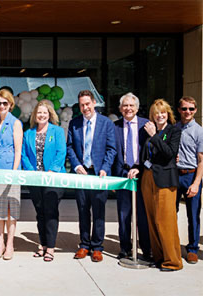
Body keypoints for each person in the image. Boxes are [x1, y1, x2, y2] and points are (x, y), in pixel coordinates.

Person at [67, 90, 116, 262]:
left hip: (99, 174)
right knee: (82, 209)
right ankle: (84, 245)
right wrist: (77, 165)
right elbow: (70, 147)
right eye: (82, 105)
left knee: (99, 210)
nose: (85, 107)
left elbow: (111, 149)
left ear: (94, 103)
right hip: (82, 173)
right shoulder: (74, 123)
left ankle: (97, 246)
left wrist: (105, 167)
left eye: (87, 104)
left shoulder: (106, 123)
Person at [140, 99, 183, 271]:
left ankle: (173, 261)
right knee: (152, 220)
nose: (160, 115)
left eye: (163, 112)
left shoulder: (173, 131)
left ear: (168, 114)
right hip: (148, 178)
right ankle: (159, 257)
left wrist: (154, 136)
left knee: (165, 220)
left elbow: (169, 154)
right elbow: (145, 155)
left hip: (165, 180)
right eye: (156, 113)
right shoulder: (148, 131)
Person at [21, 101, 66, 262]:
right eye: (39, 112)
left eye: (44, 112)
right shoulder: (28, 133)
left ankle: (51, 247)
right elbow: (24, 155)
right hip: (35, 179)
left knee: (51, 211)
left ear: (50, 114)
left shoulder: (58, 131)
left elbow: (61, 152)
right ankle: (43, 245)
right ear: (35, 115)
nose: (41, 115)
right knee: (40, 212)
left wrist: (51, 170)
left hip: (53, 178)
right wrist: (31, 172)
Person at [111, 93, 151, 260]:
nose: (128, 108)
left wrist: (141, 169)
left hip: (142, 175)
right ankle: (125, 248)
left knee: (142, 214)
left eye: (131, 106)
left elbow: (152, 151)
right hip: (122, 175)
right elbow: (112, 152)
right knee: (123, 214)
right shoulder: (115, 126)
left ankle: (147, 249)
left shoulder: (147, 125)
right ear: (120, 109)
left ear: (136, 108)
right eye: (125, 106)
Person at [0, 90, 22, 260]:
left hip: (10, 168)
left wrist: (14, 173)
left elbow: (18, 151)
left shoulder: (15, 123)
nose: (2, 106)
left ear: (10, 105)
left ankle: (10, 244)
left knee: (11, 209)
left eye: (5, 103)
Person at [175, 96, 203, 265]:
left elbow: (202, 160)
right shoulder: (173, 128)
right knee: (171, 213)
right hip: (174, 175)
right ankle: (171, 245)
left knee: (193, 215)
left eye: (191, 109)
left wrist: (196, 183)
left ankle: (192, 249)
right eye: (184, 109)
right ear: (179, 110)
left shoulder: (199, 131)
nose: (187, 112)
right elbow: (163, 144)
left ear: (195, 111)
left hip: (191, 175)